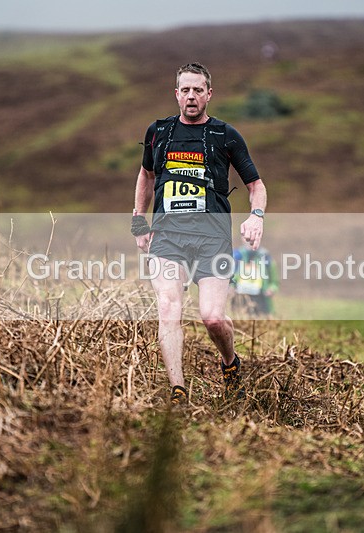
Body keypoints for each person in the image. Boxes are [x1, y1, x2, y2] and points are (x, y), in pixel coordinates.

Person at [132, 62, 268, 405]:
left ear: (209, 94)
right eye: (185, 90)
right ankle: (178, 390)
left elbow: (256, 185)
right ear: (176, 94)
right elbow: (147, 176)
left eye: (198, 90)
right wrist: (138, 220)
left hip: (212, 238)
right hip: (168, 235)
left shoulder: (226, 135)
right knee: (168, 307)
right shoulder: (158, 132)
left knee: (212, 317)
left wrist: (256, 216)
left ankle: (230, 363)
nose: (191, 96)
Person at [231, 237, 279, 317]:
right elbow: (229, 277)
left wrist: (272, 289)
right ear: (242, 237)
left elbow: (274, 282)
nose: (250, 239)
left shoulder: (266, 258)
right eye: (247, 236)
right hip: (240, 299)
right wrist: (231, 287)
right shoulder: (236, 256)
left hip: (261, 300)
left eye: (253, 235)